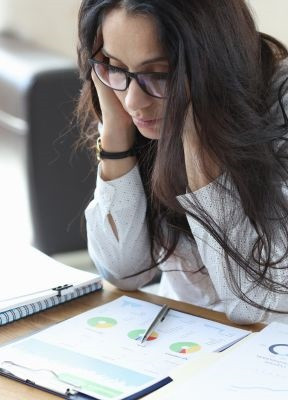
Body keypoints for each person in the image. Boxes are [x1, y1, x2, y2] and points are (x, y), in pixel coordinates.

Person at [76, 0, 288, 324]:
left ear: (214, 64)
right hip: (183, 342)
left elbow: (255, 307)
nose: (133, 101)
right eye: (115, 65)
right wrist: (117, 132)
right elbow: (122, 272)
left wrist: (197, 141)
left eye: (159, 74)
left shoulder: (280, 107)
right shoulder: (132, 105)